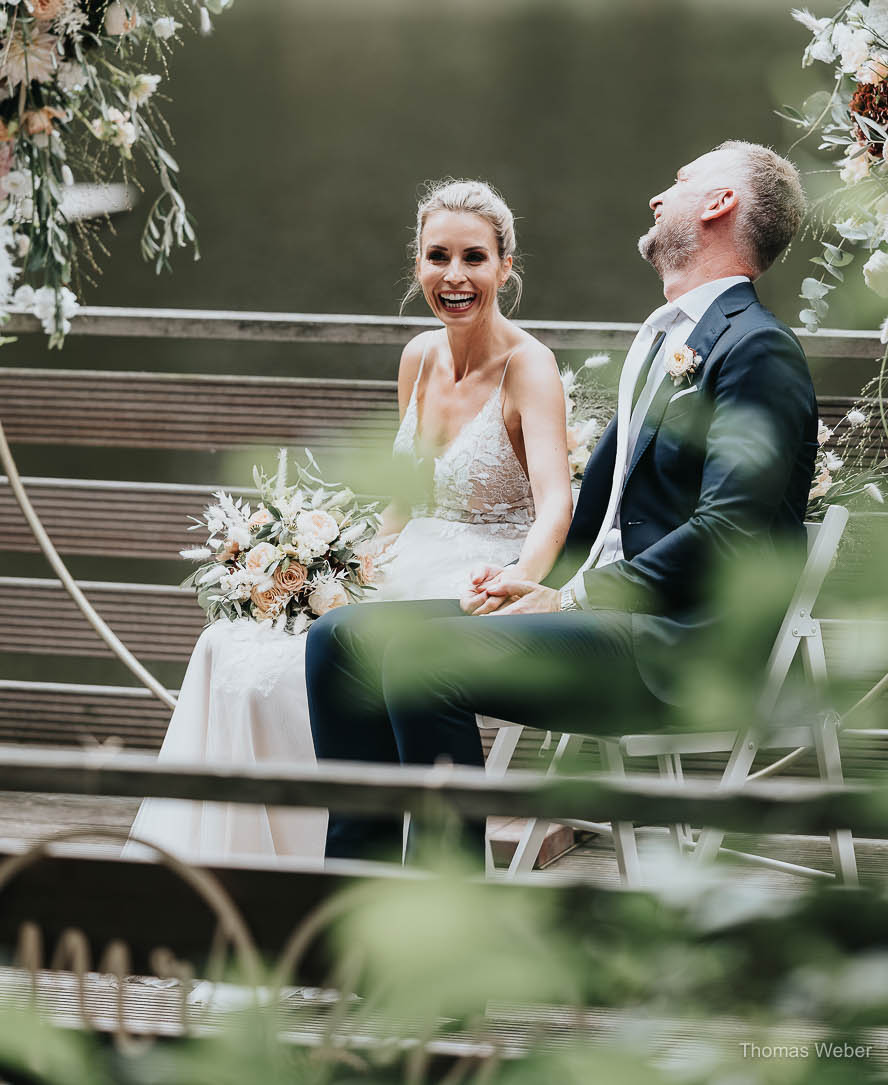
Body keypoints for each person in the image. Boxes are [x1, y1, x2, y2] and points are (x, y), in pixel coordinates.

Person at [308, 141, 817, 865]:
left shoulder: (757, 351)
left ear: (718, 205)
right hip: (602, 618)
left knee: (425, 662)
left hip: (671, 646)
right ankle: (350, 904)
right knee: (343, 641)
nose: (657, 197)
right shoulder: (670, 336)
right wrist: (533, 580)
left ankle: (443, 937)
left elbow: (729, 531)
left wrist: (573, 597)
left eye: (679, 182)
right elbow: (609, 509)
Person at [129, 180, 571, 860]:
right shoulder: (419, 356)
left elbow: (554, 505)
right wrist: (331, 560)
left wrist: (519, 579)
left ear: (506, 267)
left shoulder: (529, 367)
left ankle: (336, 859)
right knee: (231, 645)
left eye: (474, 258)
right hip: (406, 556)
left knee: (298, 666)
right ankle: (237, 861)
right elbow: (404, 498)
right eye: (437, 256)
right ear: (417, 262)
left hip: (474, 572)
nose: (454, 276)